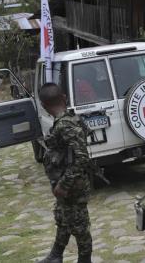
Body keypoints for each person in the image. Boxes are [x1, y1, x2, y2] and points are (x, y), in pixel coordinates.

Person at [38, 83, 93, 263]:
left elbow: (82, 158)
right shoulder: (67, 121)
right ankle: (56, 255)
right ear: (64, 97)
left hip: (73, 186)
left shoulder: (65, 125)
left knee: (80, 226)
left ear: (44, 106)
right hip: (68, 183)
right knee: (63, 217)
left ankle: (85, 260)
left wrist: (64, 184)